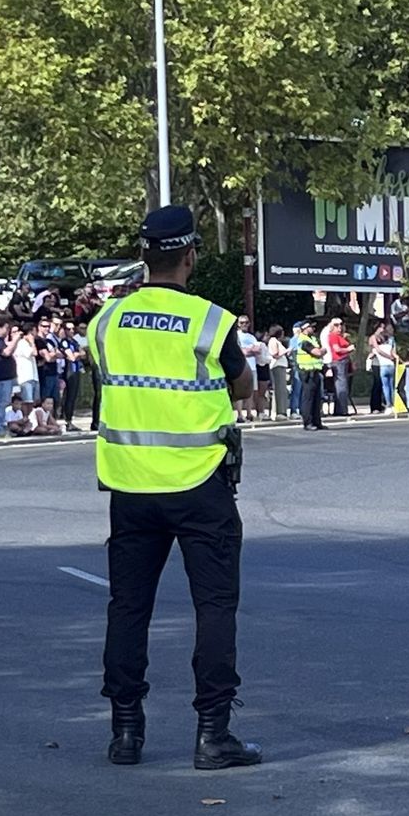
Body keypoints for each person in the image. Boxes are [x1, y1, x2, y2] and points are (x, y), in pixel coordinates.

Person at [89, 204, 260, 771]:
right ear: (191, 256)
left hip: (130, 486)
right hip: (199, 485)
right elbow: (242, 387)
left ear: (144, 257)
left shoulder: (106, 322)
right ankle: (213, 735)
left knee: (128, 607)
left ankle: (125, 732)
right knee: (213, 607)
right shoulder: (211, 321)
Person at [295, 318, 327, 430]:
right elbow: (317, 352)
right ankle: (308, 422)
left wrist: (321, 351)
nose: (313, 329)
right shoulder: (303, 340)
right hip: (307, 372)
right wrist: (322, 351)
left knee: (317, 398)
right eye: (311, 327)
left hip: (315, 371)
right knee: (308, 399)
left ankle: (317, 422)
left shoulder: (313, 339)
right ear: (304, 328)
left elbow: (320, 351)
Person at [325, 315, 353, 416]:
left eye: (341, 324)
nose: (339, 327)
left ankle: (340, 408)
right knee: (341, 385)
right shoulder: (332, 336)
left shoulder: (340, 336)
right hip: (339, 361)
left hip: (344, 361)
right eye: (336, 325)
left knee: (342, 385)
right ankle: (342, 410)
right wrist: (348, 349)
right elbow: (337, 349)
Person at [266, 325, 291, 420]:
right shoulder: (273, 341)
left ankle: (282, 411)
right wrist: (286, 351)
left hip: (281, 366)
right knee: (279, 390)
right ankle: (279, 412)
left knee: (282, 390)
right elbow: (275, 354)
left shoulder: (277, 341)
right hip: (277, 366)